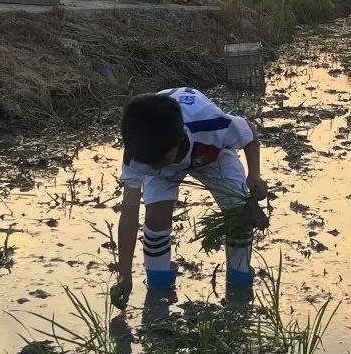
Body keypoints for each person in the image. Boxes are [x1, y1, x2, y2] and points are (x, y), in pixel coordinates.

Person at [110, 87, 269, 310]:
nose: (152, 167)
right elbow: (129, 214)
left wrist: (255, 174)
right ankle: (159, 288)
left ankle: (239, 281)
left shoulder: (212, 125)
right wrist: (124, 275)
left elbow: (249, 134)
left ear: (181, 139)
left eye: (157, 161)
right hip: (164, 152)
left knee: (238, 215)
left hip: (212, 156)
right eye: (148, 163)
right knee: (155, 219)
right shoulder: (141, 154)